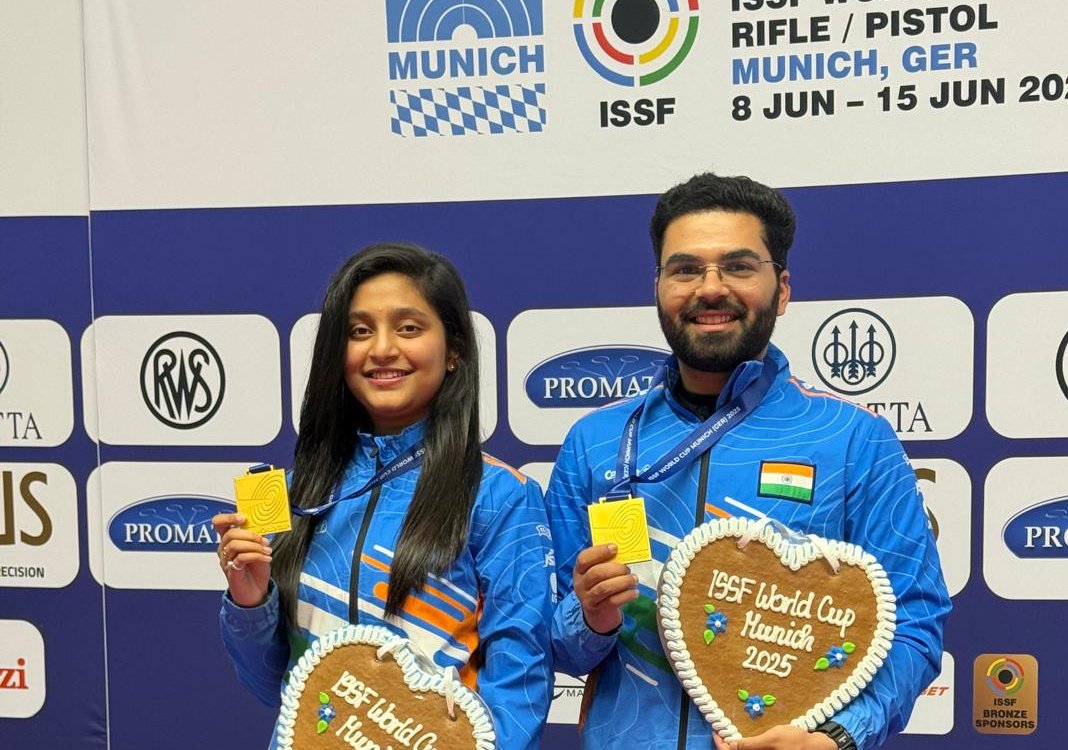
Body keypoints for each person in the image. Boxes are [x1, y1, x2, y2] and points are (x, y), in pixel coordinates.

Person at [546, 174, 951, 750]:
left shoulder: (854, 440)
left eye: (738, 267)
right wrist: (590, 619)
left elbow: (913, 623)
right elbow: (557, 647)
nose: (710, 289)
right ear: (658, 287)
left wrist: (838, 737)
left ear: (782, 289)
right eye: (685, 270)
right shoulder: (597, 442)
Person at [214, 243, 553, 750]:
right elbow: (272, 687)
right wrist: (250, 599)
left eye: (409, 328)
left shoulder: (501, 495)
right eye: (359, 331)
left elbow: (519, 684)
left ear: (454, 350)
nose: (382, 349)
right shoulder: (288, 493)